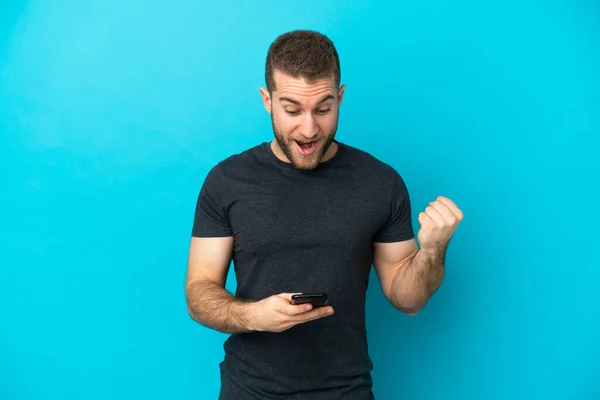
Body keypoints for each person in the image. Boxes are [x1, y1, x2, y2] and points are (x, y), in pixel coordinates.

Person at [184, 29, 464, 400]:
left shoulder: (381, 183)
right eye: (292, 109)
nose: (309, 129)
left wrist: (432, 251)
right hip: (249, 390)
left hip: (346, 391)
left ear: (340, 97)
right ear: (267, 100)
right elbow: (199, 292)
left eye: (323, 108)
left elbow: (408, 299)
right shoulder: (227, 181)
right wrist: (255, 317)